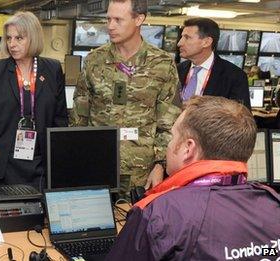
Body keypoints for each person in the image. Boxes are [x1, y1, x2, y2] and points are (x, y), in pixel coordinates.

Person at [106, 96, 280, 260]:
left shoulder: (157, 214)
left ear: (188, 149)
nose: (169, 144)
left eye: (172, 136)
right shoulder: (274, 204)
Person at [71, 0, 181, 198]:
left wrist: (160, 165)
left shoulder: (162, 64)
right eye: (108, 19)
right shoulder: (94, 61)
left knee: (139, 226)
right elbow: (80, 116)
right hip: (97, 166)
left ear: (139, 19)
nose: (110, 26)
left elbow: (169, 122)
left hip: (142, 172)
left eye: (118, 20)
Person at [0, 11, 68, 191]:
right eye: (9, 38)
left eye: (19, 38)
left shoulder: (53, 69)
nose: (12, 44)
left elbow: (60, 120)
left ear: (33, 38)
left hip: (41, 164)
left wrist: (59, 166)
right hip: (3, 163)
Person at [177, 18, 251, 109]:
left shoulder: (234, 76)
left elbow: (241, 116)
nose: (179, 43)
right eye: (182, 37)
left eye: (187, 37)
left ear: (207, 42)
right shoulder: (177, 70)